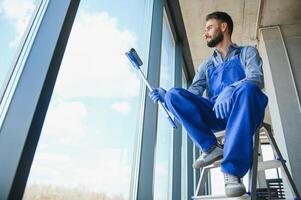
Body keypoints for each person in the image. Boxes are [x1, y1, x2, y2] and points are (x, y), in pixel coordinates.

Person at [149, 11, 268, 197]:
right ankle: (211, 148)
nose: (205, 33)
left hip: (244, 108)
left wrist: (231, 89)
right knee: (174, 94)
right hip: (217, 114)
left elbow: (256, 78)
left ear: (223, 27)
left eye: (209, 28)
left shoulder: (247, 52)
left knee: (248, 89)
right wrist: (167, 98)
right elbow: (192, 95)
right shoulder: (206, 66)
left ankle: (232, 172)